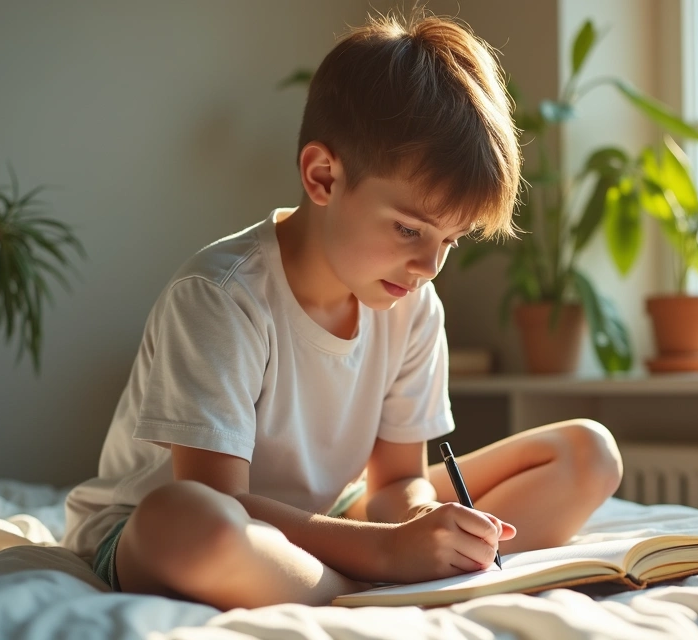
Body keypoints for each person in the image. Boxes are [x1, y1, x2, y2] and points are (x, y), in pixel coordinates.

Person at [60, 11, 623, 609]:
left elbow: (397, 482)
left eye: (451, 240)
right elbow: (219, 498)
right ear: (323, 176)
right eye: (410, 229)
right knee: (188, 519)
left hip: (332, 511)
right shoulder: (220, 295)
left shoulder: (412, 304)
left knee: (589, 454)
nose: (430, 265)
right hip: (166, 524)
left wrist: (423, 525)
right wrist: (386, 552)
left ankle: (379, 575)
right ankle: (360, 588)